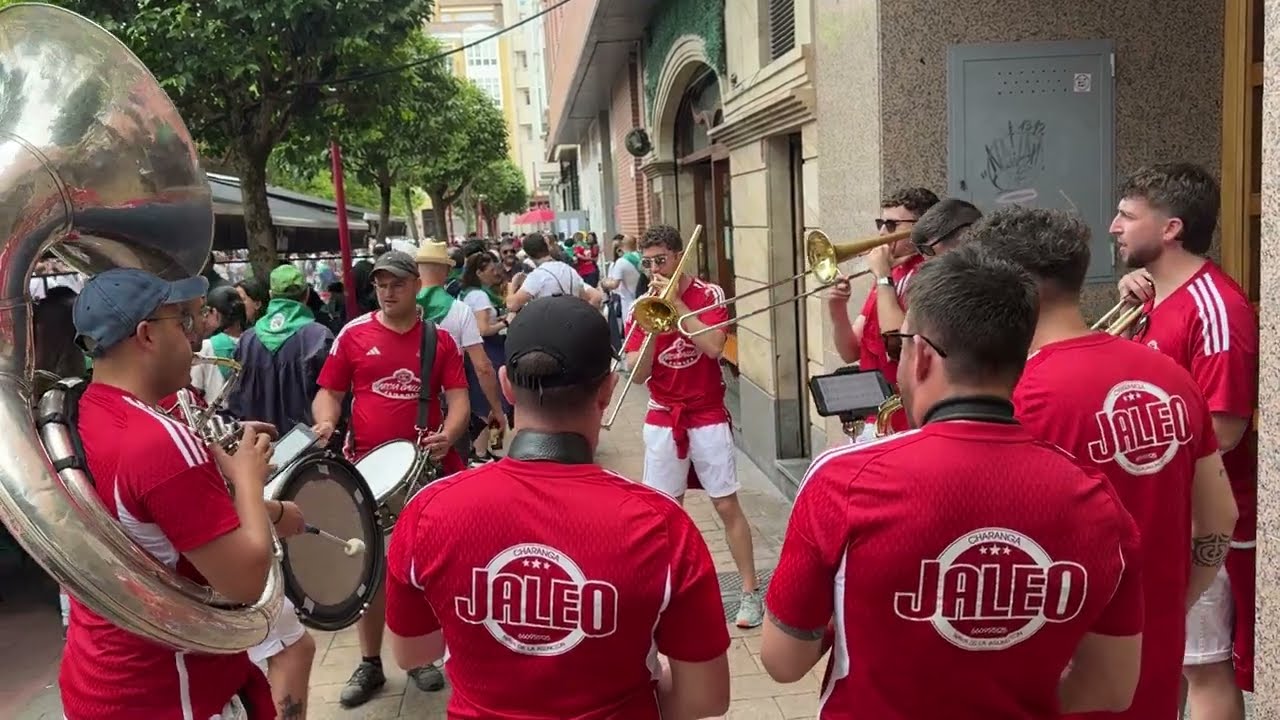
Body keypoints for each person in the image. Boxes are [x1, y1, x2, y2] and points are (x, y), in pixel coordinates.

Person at [761, 247, 1145, 717]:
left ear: (921, 355)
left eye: (900, 347)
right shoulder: (1098, 498)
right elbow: (1111, 687)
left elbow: (783, 661)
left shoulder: (842, 478)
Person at [385, 295, 731, 719]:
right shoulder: (662, 525)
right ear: (606, 390)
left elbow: (413, 652)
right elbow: (706, 698)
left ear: (507, 386)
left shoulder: (428, 511)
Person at [972, 205, 1239, 718]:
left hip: (1065, 668)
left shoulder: (1019, 396)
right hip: (1153, 648)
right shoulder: (1169, 375)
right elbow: (1220, 516)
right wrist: (1172, 603)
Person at [60, 268, 286, 720]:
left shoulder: (86, 408)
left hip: (99, 675)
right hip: (169, 691)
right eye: (183, 323)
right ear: (145, 334)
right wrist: (247, 477)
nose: (196, 339)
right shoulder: (157, 440)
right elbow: (244, 581)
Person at [1111, 162, 1258, 716]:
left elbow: (1225, 427)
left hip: (1198, 514)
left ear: (1171, 228)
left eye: (1128, 215)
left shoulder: (1216, 306)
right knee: (1166, 660)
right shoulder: (1150, 299)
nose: (1114, 226)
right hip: (1158, 506)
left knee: (1203, 664)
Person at [312, 250, 471, 707]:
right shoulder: (353, 335)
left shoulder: (438, 341)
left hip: (426, 472)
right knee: (371, 569)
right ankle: (370, 663)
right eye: (381, 283)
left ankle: (422, 656)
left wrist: (451, 433)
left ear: (416, 284)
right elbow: (330, 392)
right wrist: (325, 421)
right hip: (366, 470)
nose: (386, 290)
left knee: (428, 568)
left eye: (396, 282)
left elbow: (458, 400)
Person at [623, 223, 763, 629]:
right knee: (665, 511)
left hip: (705, 413)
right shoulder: (641, 305)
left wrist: (678, 306)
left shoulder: (708, 294)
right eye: (647, 262)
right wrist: (651, 327)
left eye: (661, 261)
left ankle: (751, 593)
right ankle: (669, 593)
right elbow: (636, 374)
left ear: (680, 257)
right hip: (664, 413)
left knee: (725, 504)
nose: (654, 270)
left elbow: (715, 348)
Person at [415, 242, 508, 462]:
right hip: (452, 395)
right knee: (454, 457)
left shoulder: (403, 309)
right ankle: (483, 455)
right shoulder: (459, 308)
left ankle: (484, 452)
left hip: (410, 395)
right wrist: (497, 407)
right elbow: (483, 366)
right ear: (447, 271)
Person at [227, 264, 334, 432]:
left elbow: (235, 400)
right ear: (306, 295)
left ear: (271, 295)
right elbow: (333, 396)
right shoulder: (319, 337)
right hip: (306, 446)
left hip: (258, 447)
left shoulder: (247, 340)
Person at [457, 251, 513, 459]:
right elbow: (482, 329)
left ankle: (486, 450)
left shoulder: (467, 293)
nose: (495, 273)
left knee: (484, 402)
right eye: (490, 270)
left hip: (475, 350)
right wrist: (507, 321)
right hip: (488, 349)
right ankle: (486, 451)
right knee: (491, 402)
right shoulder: (479, 296)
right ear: (479, 272)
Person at [506, 232, 603, 311]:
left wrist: (512, 285)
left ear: (529, 255)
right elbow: (596, 297)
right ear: (547, 247)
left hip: (552, 328)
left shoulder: (537, 276)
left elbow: (512, 305)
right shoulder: (568, 269)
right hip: (575, 328)